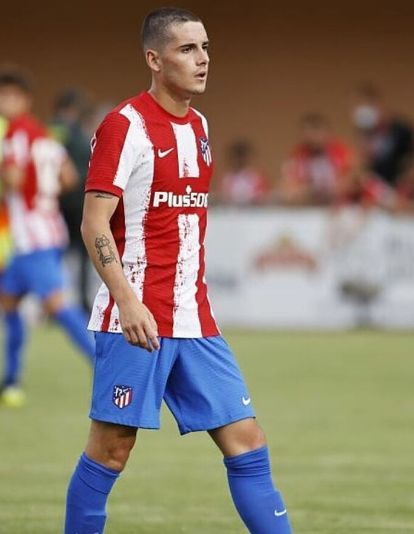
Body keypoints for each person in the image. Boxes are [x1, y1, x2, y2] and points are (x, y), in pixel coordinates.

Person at [64, 7, 292, 534]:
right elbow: (93, 222)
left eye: (206, 47)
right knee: (111, 451)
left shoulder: (202, 127)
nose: (203, 59)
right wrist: (126, 300)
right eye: (188, 49)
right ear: (154, 58)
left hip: (194, 320)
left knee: (248, 443)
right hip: (136, 320)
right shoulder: (124, 126)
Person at [0, 69, 95, 407]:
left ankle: (104, 364)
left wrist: (18, 189)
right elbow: (68, 176)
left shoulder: (15, 136)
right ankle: (10, 380)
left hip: (32, 239)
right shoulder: (43, 135)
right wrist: (45, 194)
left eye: (11, 96)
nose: (5, 102)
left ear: (25, 100)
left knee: (57, 306)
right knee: (8, 303)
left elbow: (11, 180)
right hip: (45, 231)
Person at [50, 88, 95, 313]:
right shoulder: (68, 131)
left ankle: (61, 300)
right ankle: (70, 300)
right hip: (74, 200)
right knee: (78, 251)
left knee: (66, 251)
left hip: (66, 200)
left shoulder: (63, 130)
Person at [279, 113, 355, 206]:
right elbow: (287, 189)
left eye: (314, 133)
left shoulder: (341, 152)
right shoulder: (298, 154)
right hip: (309, 207)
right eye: (306, 134)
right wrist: (312, 190)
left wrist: (321, 189)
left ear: (325, 132)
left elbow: (349, 184)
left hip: (340, 206)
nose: (311, 138)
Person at [351, 82, 414, 189]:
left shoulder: (400, 129)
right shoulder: (367, 132)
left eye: (360, 105)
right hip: (379, 188)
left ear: (375, 104)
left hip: (401, 188)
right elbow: (367, 162)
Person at [217, 139, 271, 205]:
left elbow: (263, 197)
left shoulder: (255, 177)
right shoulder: (227, 178)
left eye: (241, 157)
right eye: (235, 157)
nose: (238, 160)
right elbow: (223, 197)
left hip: (253, 210)